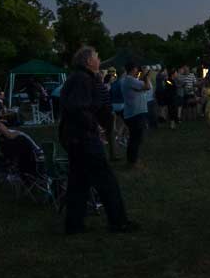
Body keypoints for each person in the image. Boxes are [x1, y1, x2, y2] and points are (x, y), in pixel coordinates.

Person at [59, 46, 137, 235]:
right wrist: (94, 126)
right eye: (97, 57)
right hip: (83, 138)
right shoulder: (82, 79)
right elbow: (78, 108)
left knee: (79, 182)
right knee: (106, 180)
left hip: (76, 137)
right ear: (88, 61)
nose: (99, 59)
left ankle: (74, 225)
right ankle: (118, 222)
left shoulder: (80, 78)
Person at [121, 63, 151, 168]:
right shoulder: (129, 80)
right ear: (133, 69)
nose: (138, 71)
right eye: (137, 69)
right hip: (135, 114)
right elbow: (147, 86)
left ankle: (132, 160)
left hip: (135, 113)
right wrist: (146, 76)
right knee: (136, 138)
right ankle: (133, 161)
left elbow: (145, 86)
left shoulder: (130, 80)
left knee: (135, 138)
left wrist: (144, 77)